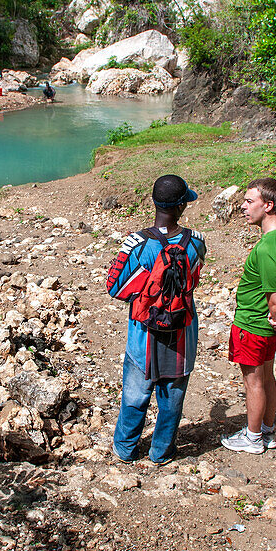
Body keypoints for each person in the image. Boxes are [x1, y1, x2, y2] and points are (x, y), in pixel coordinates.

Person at [106, 175, 207, 465]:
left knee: (135, 395)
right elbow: (194, 279)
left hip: (143, 336)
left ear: (154, 203)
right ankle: (161, 451)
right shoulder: (196, 243)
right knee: (172, 398)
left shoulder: (137, 243)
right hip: (182, 336)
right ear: (181, 207)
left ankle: (125, 449)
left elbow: (116, 288)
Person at [221, 177, 276, 454]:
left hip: (253, 324)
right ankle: (267, 428)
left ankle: (253, 438)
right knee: (268, 376)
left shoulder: (267, 248)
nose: (243, 207)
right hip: (264, 324)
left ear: (268, 205)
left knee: (253, 382)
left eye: (249, 201)